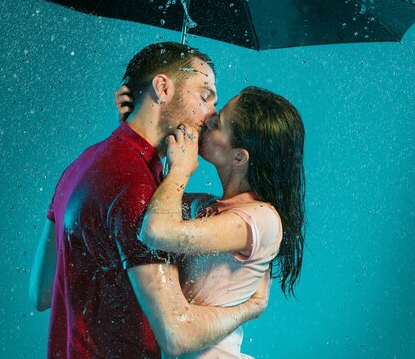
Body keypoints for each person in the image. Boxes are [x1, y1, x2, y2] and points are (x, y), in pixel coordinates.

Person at [29, 42, 270, 359]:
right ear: (163, 87)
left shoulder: (81, 164)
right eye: (205, 95)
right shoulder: (138, 189)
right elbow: (176, 335)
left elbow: (43, 293)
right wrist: (249, 307)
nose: (212, 113)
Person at [116, 85, 306, 358]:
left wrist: (181, 169)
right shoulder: (205, 206)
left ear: (239, 156)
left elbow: (156, 231)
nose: (208, 119)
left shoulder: (261, 219)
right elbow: (148, 197)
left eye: (218, 124)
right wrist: (138, 126)